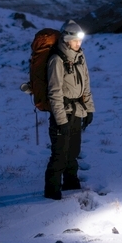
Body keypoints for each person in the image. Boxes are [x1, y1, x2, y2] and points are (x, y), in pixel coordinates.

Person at [44, 19, 95, 200]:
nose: (78, 43)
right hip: (62, 113)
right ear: (66, 40)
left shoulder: (80, 57)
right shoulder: (56, 60)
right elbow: (54, 93)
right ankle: (52, 192)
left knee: (73, 152)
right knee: (59, 154)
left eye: (80, 40)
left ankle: (71, 184)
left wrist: (89, 109)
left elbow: (86, 85)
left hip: (77, 111)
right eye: (75, 40)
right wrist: (61, 121)